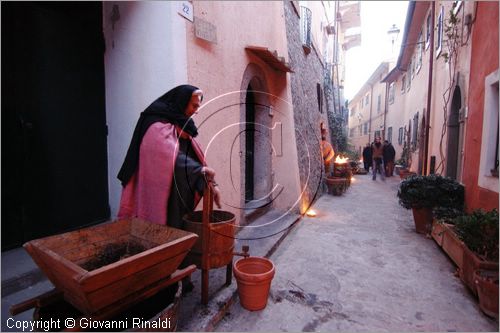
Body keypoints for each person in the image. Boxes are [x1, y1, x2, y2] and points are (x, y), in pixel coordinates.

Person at [117, 84, 221, 229]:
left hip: (176, 194)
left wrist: (208, 182)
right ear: (182, 101)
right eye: (194, 106)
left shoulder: (180, 123)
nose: (196, 111)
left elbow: (190, 153)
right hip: (160, 194)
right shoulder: (155, 125)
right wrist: (199, 171)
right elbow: (169, 156)